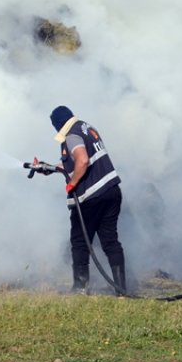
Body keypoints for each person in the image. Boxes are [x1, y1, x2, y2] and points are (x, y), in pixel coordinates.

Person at [42, 106, 126, 295]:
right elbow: (73, 161)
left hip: (92, 197)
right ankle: (121, 289)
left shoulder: (71, 135)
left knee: (80, 242)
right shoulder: (85, 128)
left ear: (58, 124)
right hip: (111, 191)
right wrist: (49, 168)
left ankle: (80, 287)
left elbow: (82, 160)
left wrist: (72, 183)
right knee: (110, 241)